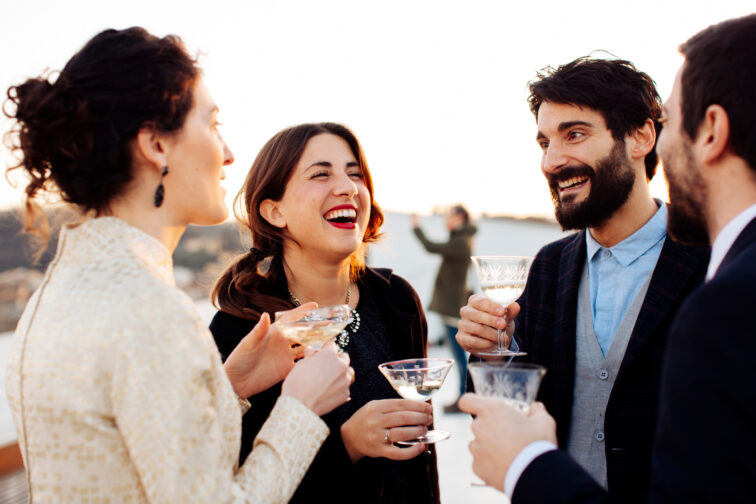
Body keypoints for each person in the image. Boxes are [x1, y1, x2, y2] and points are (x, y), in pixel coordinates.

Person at [3, 27, 355, 503]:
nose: (228, 153)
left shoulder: (59, 292)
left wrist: (231, 384)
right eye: (212, 124)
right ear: (157, 145)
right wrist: (301, 407)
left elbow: (138, 456)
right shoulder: (151, 312)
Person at [459, 13, 756, 503]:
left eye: (574, 134)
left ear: (642, 137)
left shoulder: (719, 267)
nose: (551, 161)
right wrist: (494, 351)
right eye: (544, 141)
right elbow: (513, 421)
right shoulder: (547, 268)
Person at [210, 122, 440, 504]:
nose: (348, 187)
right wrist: (348, 444)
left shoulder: (396, 299)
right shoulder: (244, 326)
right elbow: (231, 484)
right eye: (321, 174)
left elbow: (422, 457)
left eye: (355, 174)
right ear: (274, 211)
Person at [411, 205, 476, 412]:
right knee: (458, 355)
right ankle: (464, 397)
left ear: (459, 218)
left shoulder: (460, 242)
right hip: (451, 306)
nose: (445, 219)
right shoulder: (459, 238)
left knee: (459, 356)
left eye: (449, 216)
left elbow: (431, 247)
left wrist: (417, 227)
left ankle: (464, 398)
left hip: (452, 308)